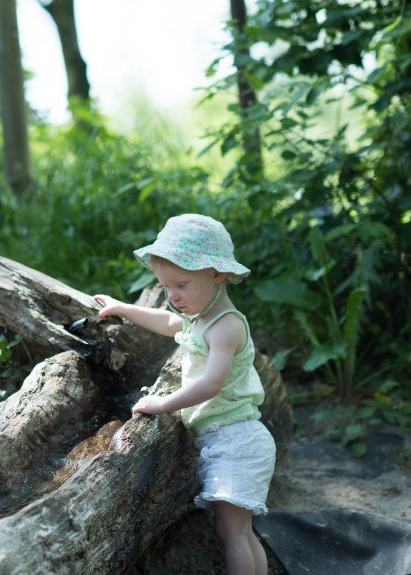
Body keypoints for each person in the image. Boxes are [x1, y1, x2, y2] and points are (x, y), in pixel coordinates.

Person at [94, 214, 276, 575]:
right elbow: (165, 322)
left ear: (217, 274)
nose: (173, 297)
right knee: (239, 532)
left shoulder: (226, 326)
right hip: (224, 436)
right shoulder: (199, 315)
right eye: (165, 287)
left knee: (233, 532)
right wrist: (123, 308)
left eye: (181, 284)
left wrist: (164, 404)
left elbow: (212, 383)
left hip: (238, 441)